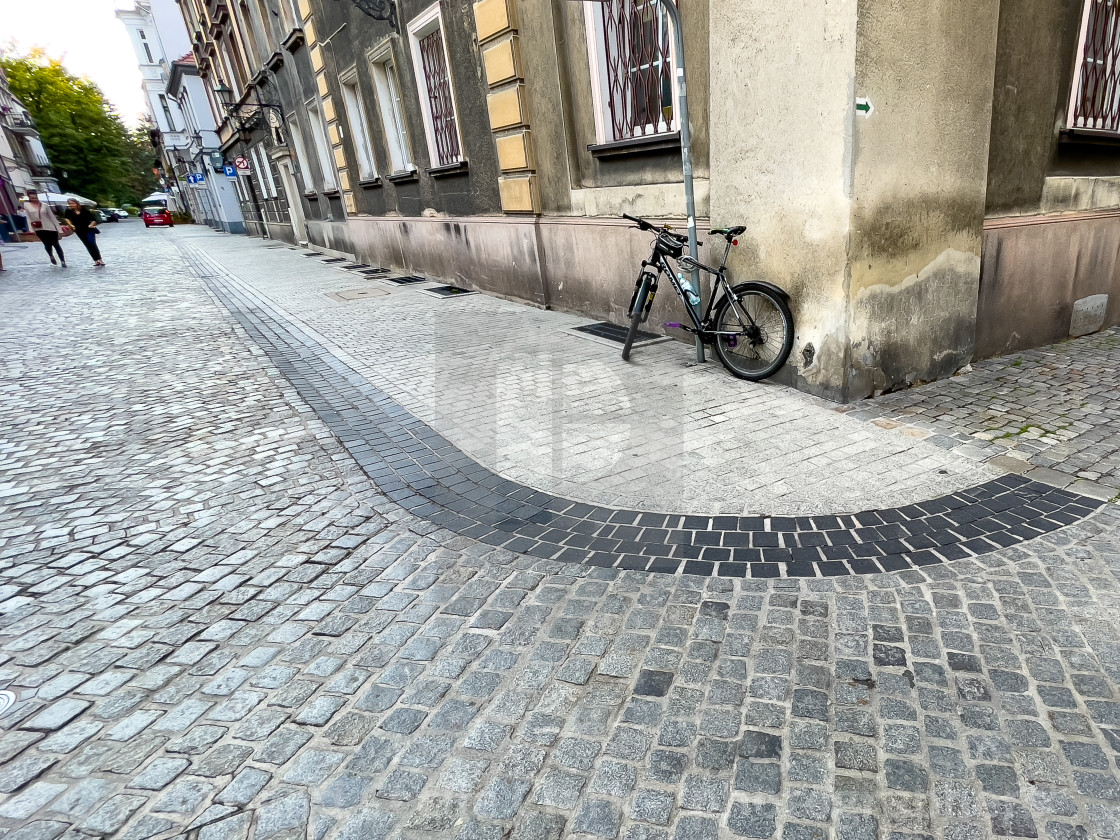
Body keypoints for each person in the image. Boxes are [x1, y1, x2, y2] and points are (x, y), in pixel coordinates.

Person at [24, 190, 66, 267]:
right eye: (32, 198)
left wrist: (59, 229)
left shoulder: (44, 205)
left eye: (35, 197)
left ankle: (63, 261)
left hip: (50, 227)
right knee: (47, 244)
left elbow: (52, 217)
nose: (34, 199)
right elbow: (28, 218)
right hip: (39, 228)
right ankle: (51, 255)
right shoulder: (27, 205)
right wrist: (31, 229)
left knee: (56, 244)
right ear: (29, 198)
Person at [64, 199, 104, 266]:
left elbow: (94, 220)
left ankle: (100, 259)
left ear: (77, 203)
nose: (71, 205)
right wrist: (71, 225)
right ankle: (96, 260)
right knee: (87, 245)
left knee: (92, 243)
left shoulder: (84, 210)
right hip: (79, 230)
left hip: (89, 229)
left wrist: (91, 224)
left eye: (73, 203)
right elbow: (67, 218)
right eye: (70, 204)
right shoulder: (68, 211)